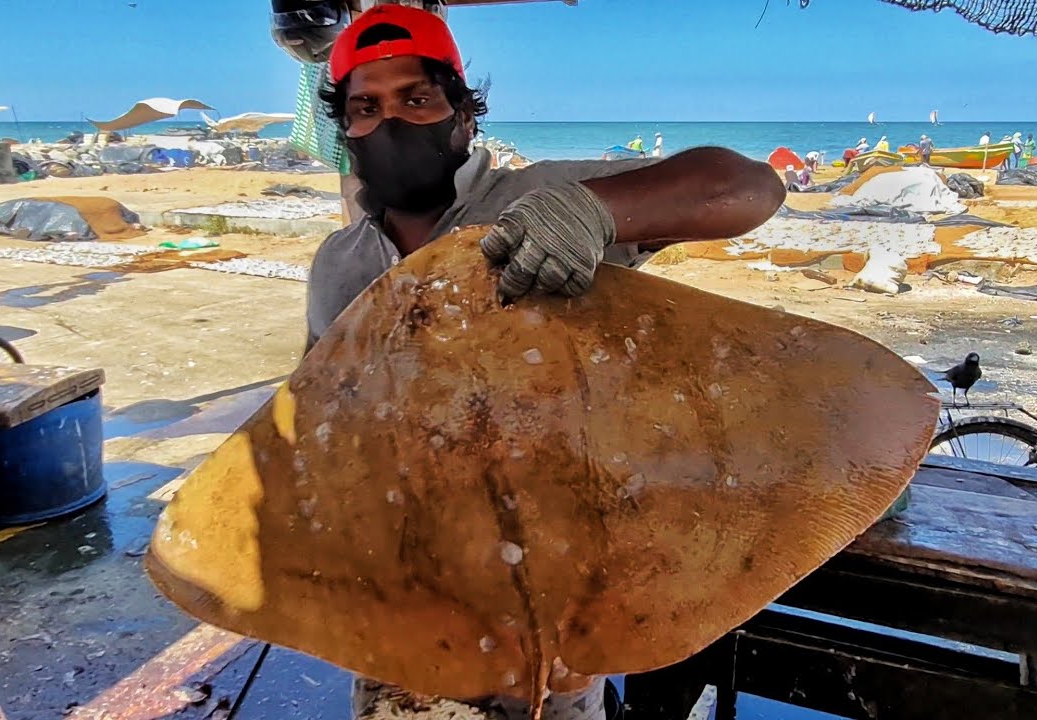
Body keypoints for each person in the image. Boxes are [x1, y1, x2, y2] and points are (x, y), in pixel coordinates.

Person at [308, 11, 782, 717]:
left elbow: (747, 189)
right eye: (365, 109)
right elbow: (317, 425)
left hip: (554, 582)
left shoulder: (534, 199)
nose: (391, 123)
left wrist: (595, 212)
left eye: (417, 99)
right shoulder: (337, 264)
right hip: (404, 593)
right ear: (345, 132)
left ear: (464, 116)